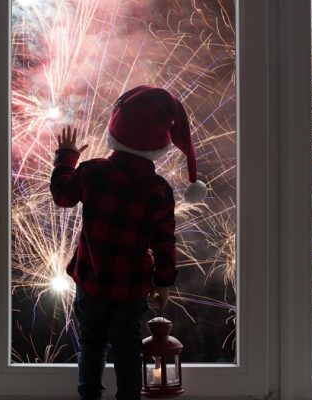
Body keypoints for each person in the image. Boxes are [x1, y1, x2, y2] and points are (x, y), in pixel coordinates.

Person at [50, 85, 206, 400]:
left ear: (115, 128)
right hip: (132, 287)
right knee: (127, 347)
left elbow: (62, 196)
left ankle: (89, 396)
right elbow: (165, 242)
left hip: (91, 280)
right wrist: (163, 282)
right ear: (158, 144)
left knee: (92, 343)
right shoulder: (158, 189)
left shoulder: (92, 171)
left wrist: (67, 157)